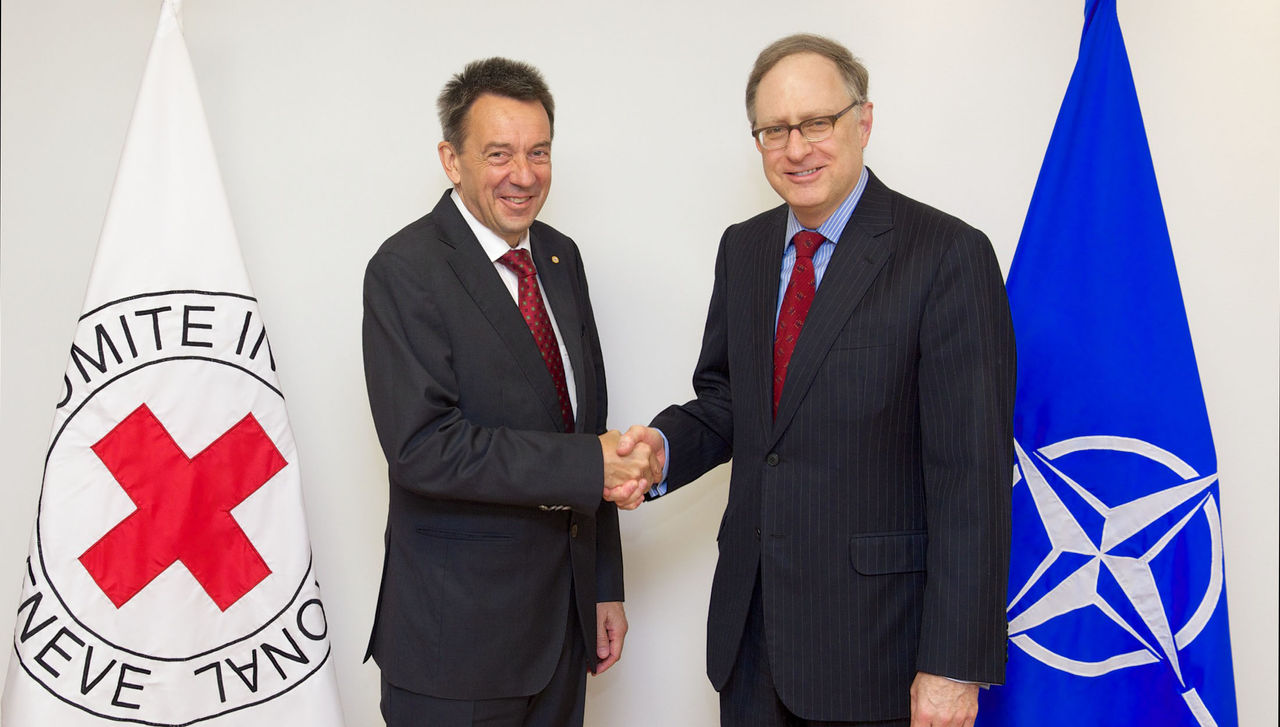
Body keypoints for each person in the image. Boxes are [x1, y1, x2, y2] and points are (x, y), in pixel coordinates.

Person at [619, 34, 1016, 727]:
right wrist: (660, 448)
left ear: (863, 121)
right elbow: (729, 404)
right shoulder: (743, 248)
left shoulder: (948, 255)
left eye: (816, 123)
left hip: (880, 655)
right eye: (775, 130)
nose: (795, 148)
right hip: (751, 645)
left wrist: (954, 663)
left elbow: (972, 478)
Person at [362, 57, 655, 727]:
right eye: (498, 154)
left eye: (539, 152)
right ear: (451, 159)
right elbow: (424, 447)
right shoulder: (405, 270)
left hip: (561, 632)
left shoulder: (560, 257)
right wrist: (591, 465)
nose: (523, 175)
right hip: (455, 649)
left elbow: (590, 427)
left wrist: (603, 585)